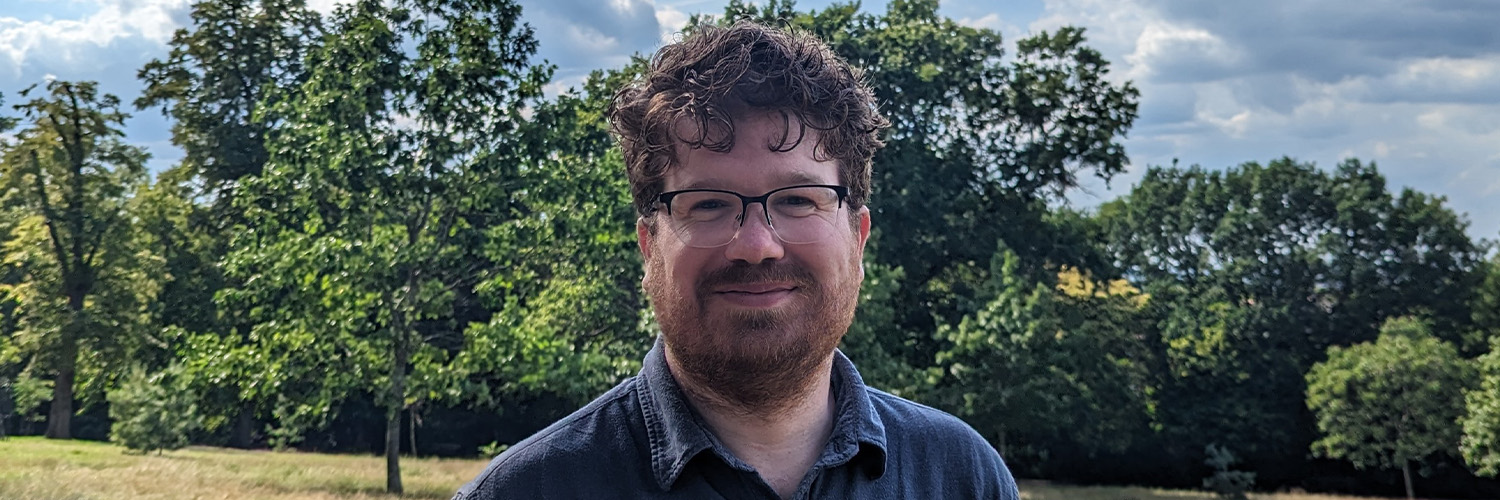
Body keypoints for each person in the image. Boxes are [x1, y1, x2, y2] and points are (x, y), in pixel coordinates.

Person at [453, 20, 1020, 500]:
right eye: (707, 205)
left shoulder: (964, 476)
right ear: (650, 247)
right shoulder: (527, 490)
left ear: (859, 238)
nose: (756, 245)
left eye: (799, 200)